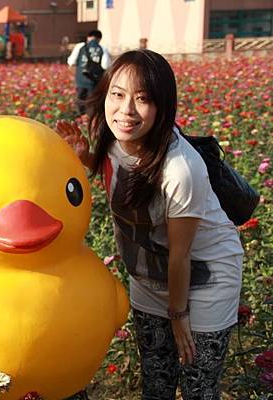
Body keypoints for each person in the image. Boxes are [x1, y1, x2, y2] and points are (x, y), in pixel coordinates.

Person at [56, 49, 243, 399]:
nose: (126, 110)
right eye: (118, 94)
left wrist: (178, 315)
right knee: (156, 381)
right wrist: (87, 157)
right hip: (148, 275)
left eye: (142, 99)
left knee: (197, 387)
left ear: (162, 107)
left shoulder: (181, 169)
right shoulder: (114, 140)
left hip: (204, 279)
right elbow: (125, 178)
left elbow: (181, 254)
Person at [67, 30, 111, 115]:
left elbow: (71, 61)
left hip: (81, 78)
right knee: (92, 102)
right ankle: (90, 119)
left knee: (80, 99)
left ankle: (80, 116)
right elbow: (105, 65)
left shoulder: (80, 46)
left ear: (88, 37)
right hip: (95, 81)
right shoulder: (102, 48)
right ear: (99, 39)